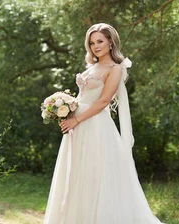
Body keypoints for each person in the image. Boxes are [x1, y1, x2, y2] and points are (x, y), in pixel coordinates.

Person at [43, 23, 164, 224]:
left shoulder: (114, 69)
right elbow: (83, 97)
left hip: (95, 125)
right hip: (77, 125)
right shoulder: (91, 67)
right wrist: (65, 107)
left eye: (100, 41)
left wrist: (77, 119)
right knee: (76, 173)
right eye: (91, 43)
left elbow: (103, 101)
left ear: (110, 42)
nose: (95, 46)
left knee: (95, 173)